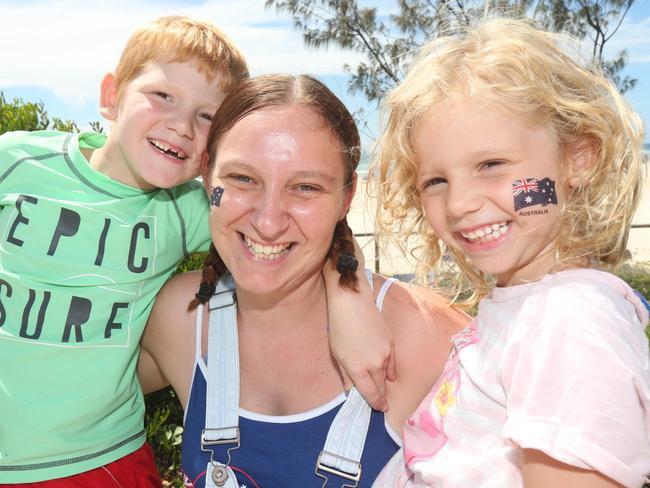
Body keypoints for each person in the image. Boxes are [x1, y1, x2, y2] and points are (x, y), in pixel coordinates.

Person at [357, 17, 650, 488]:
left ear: (578, 159)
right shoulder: (531, 305)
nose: (458, 205)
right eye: (436, 181)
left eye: (491, 165)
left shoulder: (570, 322)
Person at [138, 73, 469, 487]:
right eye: (242, 179)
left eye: (306, 187)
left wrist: (346, 284)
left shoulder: (424, 337)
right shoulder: (182, 318)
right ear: (208, 179)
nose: (269, 220)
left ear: (346, 199)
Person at [0, 16, 248, 485]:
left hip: (103, 458)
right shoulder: (17, 160)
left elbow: (282, 230)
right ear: (112, 96)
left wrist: (347, 302)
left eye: (207, 116)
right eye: (163, 96)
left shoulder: (189, 209)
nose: (181, 126)